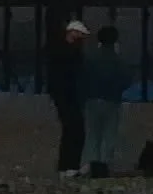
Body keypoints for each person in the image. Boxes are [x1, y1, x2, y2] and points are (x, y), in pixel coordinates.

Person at [79, 25, 134, 178]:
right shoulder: (117, 60)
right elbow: (127, 79)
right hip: (111, 100)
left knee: (92, 135)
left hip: (92, 100)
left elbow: (81, 78)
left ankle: (89, 165)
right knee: (109, 134)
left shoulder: (91, 58)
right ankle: (105, 165)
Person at [46, 19, 90, 177]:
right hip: (69, 95)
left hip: (63, 95)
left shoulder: (58, 51)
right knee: (76, 130)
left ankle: (65, 167)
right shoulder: (71, 53)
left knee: (70, 130)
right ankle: (71, 166)